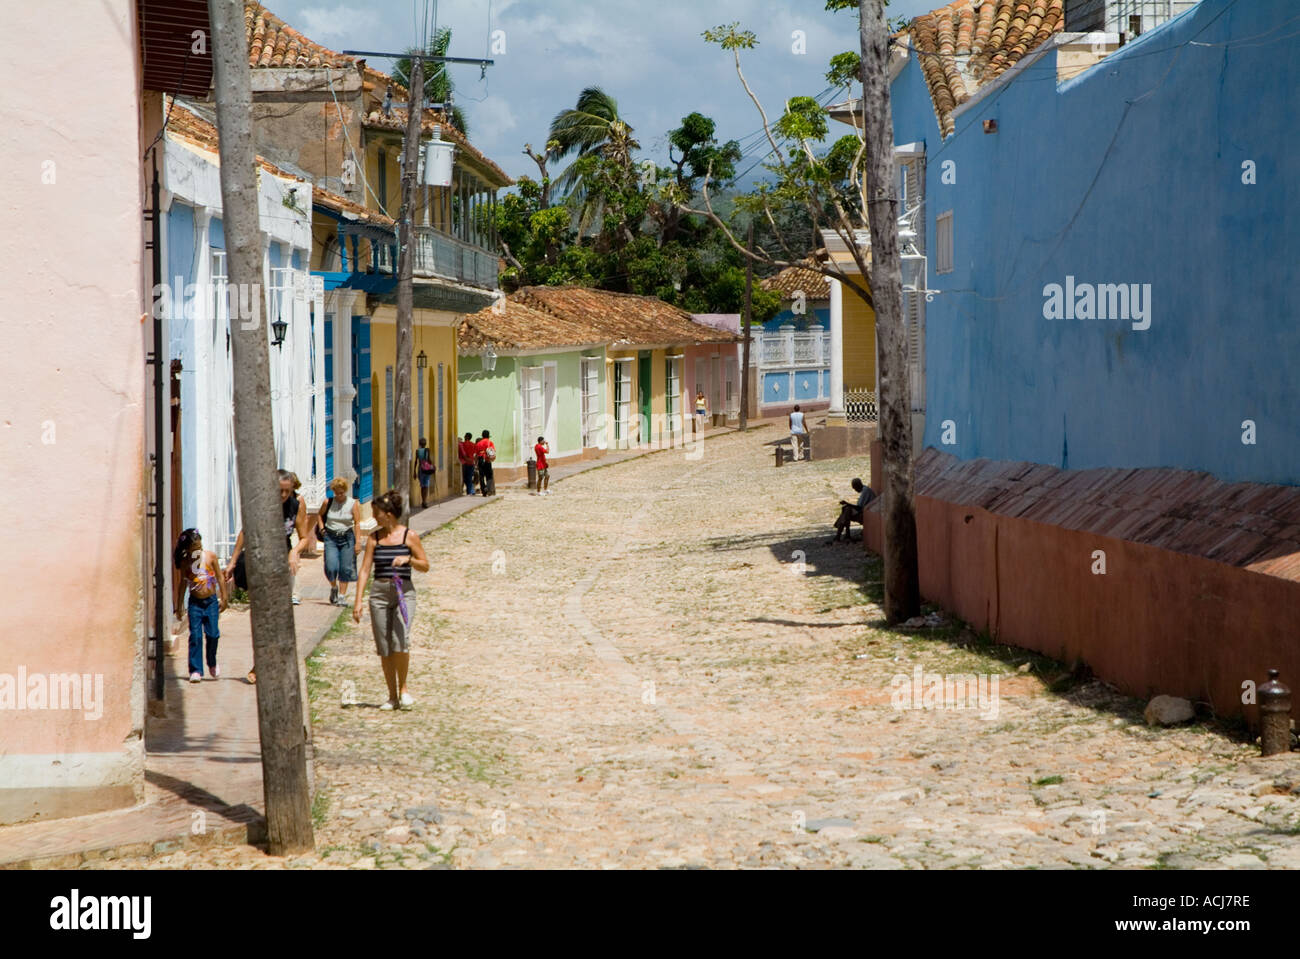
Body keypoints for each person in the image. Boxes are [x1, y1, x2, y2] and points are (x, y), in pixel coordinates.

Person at [225, 468, 311, 683]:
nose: (283, 496)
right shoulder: (261, 506)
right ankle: (258, 664)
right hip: (258, 563)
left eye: (286, 492)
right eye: (279, 491)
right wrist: (233, 561)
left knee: (279, 618)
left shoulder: (296, 505)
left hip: (282, 564)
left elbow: (304, 538)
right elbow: (245, 533)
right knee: (264, 617)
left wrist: (294, 552)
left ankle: (272, 665)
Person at [353, 490, 430, 710]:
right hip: (379, 593)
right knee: (384, 646)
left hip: (403, 592)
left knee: (401, 639)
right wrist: (358, 602)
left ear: (388, 514)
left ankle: (404, 689)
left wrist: (409, 559)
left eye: (377, 513)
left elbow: (425, 565)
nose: (375, 517)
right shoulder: (374, 539)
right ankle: (392, 696)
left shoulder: (409, 536)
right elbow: (365, 570)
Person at [173, 529, 229, 683]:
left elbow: (219, 577)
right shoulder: (186, 563)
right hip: (195, 603)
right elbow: (182, 585)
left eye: (200, 545)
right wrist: (179, 606)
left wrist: (224, 597)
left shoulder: (210, 557)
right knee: (196, 636)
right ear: (188, 549)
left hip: (210, 602)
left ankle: (212, 662)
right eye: (195, 547)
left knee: (213, 634)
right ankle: (196, 669)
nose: (198, 549)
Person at [316, 476, 362, 606]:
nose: (339, 495)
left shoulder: (352, 503)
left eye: (341, 492)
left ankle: (342, 596)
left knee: (345, 567)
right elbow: (319, 515)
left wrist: (358, 542)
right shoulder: (328, 502)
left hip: (347, 537)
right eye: (337, 492)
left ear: (345, 491)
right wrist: (322, 529)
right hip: (331, 537)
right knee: (331, 566)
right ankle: (333, 587)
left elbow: (357, 523)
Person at [830, 477, 876, 543]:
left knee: (847, 510)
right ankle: (845, 534)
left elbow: (859, 507)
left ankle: (840, 534)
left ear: (857, 486)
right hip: (865, 511)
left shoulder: (865, 491)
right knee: (846, 510)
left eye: (854, 488)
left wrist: (847, 503)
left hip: (868, 514)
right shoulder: (865, 490)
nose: (855, 490)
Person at [415, 437, 435, 509]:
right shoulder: (427, 450)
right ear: (425, 444)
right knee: (426, 485)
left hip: (420, 469)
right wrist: (432, 466)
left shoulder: (417, 451)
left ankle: (423, 500)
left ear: (419, 444)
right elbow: (429, 459)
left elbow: (416, 462)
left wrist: (414, 472)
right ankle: (424, 501)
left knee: (422, 486)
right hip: (426, 469)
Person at [475, 429, 496, 496]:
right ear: (488, 436)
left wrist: (476, 464)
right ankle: (487, 487)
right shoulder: (490, 443)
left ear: (482, 435)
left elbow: (476, 454)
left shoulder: (478, 443)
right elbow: (493, 452)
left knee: (481, 476)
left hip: (480, 460)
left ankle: (483, 491)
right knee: (489, 476)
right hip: (487, 460)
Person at [458, 432, 478, 496]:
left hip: (465, 463)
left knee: (464, 478)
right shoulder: (473, 444)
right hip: (471, 463)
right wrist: (474, 462)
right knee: (469, 478)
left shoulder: (462, 444)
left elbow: (463, 454)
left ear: (466, 437)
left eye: (465, 436)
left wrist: (467, 459)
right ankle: (470, 491)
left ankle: (469, 491)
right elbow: (475, 454)